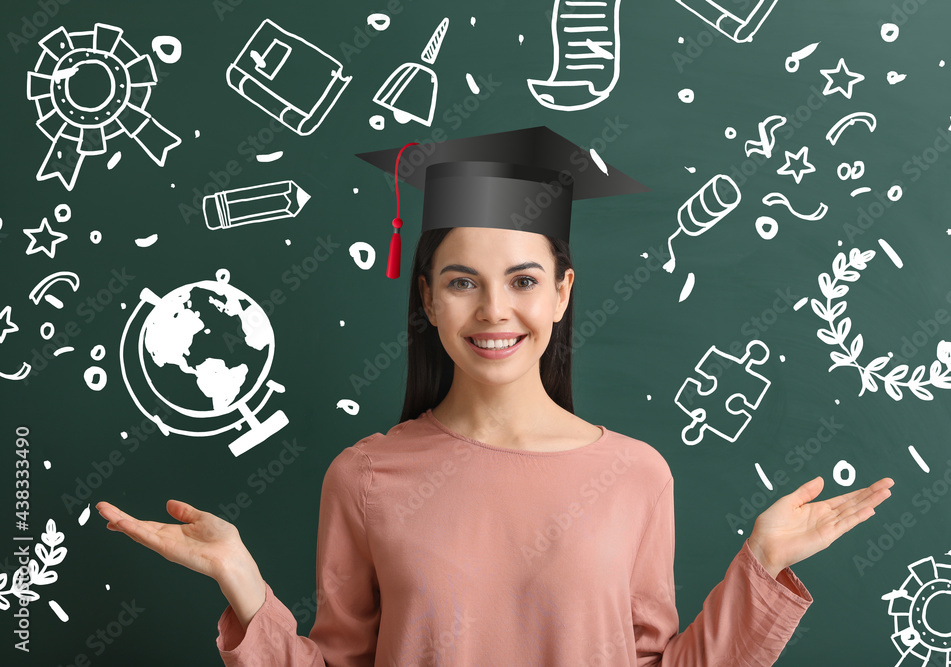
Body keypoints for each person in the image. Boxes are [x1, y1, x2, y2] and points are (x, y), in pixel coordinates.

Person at [96, 127, 893, 666]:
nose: (493, 312)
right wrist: (243, 580)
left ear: (562, 293)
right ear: (429, 301)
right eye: (461, 282)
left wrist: (761, 565)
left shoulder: (636, 474)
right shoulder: (365, 477)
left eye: (523, 281)